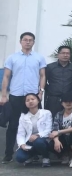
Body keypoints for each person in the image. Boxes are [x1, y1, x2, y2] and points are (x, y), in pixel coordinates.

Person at [1, 33, 47, 163]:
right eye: (25, 40)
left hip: (32, 96)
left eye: (30, 40)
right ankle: (8, 154)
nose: (28, 42)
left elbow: (43, 75)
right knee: (13, 125)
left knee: (35, 125)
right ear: (20, 42)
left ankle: (34, 152)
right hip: (16, 95)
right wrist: (4, 95)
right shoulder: (12, 58)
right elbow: (6, 76)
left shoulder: (39, 58)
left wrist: (41, 92)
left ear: (33, 42)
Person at [49, 92, 72, 168]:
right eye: (65, 101)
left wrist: (59, 132)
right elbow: (55, 129)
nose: (68, 103)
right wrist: (56, 141)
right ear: (62, 103)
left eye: (71, 101)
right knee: (50, 143)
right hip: (64, 138)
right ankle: (65, 155)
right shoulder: (59, 114)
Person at [15, 93, 53, 167]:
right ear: (25, 103)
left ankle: (45, 157)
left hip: (43, 139)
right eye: (27, 100)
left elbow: (49, 129)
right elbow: (20, 133)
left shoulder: (46, 113)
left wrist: (37, 135)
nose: (30, 101)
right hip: (30, 141)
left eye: (33, 99)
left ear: (38, 101)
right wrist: (22, 144)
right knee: (20, 158)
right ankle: (32, 155)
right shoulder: (23, 116)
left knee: (38, 142)